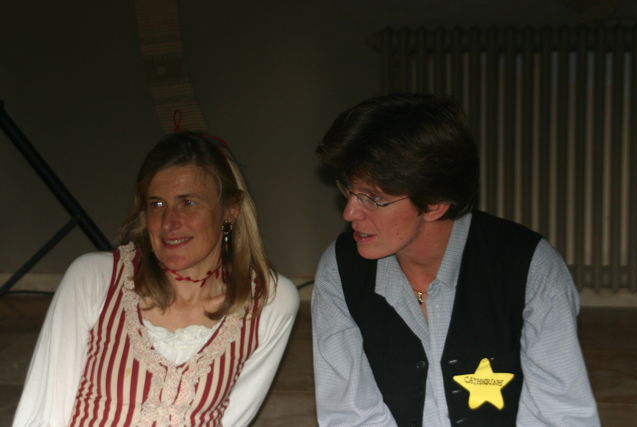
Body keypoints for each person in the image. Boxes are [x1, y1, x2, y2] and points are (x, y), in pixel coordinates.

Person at [311, 93, 600, 426]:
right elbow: (349, 414)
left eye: (374, 199)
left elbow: (559, 414)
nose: (349, 212)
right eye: (349, 189)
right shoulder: (340, 269)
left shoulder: (529, 267)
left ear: (434, 203)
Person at [13, 131, 299, 426]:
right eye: (157, 204)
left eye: (188, 203)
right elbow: (45, 408)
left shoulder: (270, 301)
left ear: (230, 210)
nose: (169, 223)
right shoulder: (95, 278)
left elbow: (232, 419)